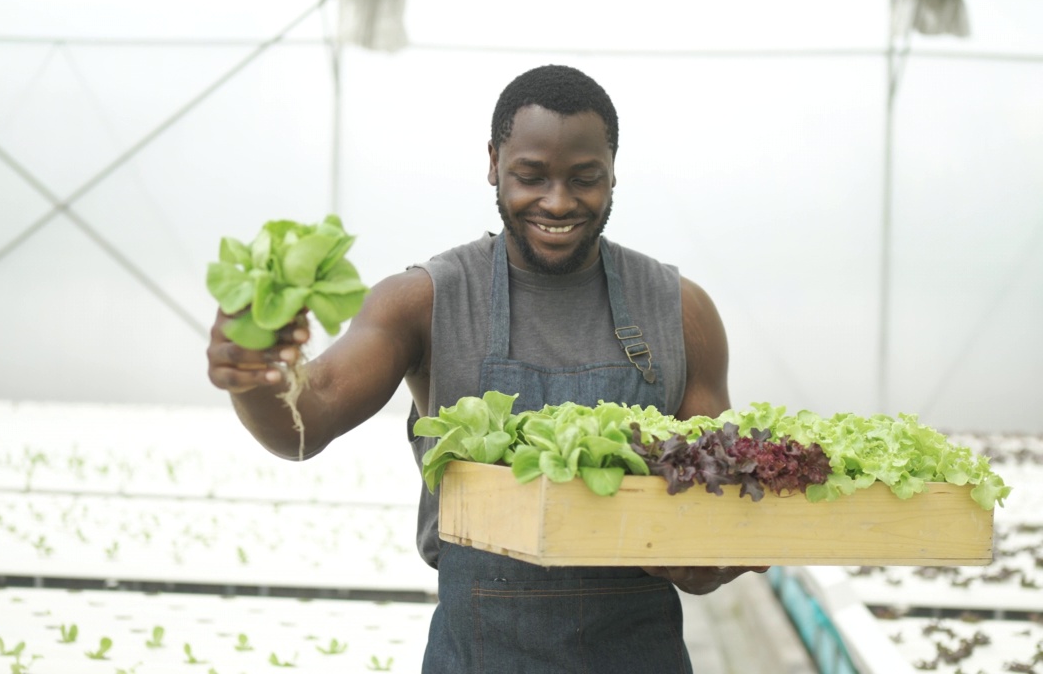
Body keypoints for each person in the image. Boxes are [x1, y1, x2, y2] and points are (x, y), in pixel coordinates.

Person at [206, 64, 765, 673]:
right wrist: (257, 379)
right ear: (494, 162)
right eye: (531, 176)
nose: (558, 201)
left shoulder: (679, 309)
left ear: (613, 172)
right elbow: (304, 425)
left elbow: (714, 499)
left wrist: (712, 553)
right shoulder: (426, 300)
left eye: (585, 179)